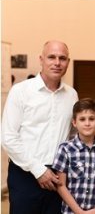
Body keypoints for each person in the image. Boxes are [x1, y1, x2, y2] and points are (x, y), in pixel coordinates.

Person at [1, 41, 79, 213]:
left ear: (68, 62)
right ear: (41, 60)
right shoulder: (20, 91)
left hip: (58, 178)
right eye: (51, 57)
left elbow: (73, 135)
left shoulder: (72, 95)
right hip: (25, 175)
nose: (57, 63)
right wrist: (38, 170)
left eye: (62, 58)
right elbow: (8, 137)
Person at [51, 99, 95, 214]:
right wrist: (79, 212)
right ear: (74, 122)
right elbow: (61, 185)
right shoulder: (65, 149)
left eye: (91, 119)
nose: (87, 123)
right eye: (82, 119)